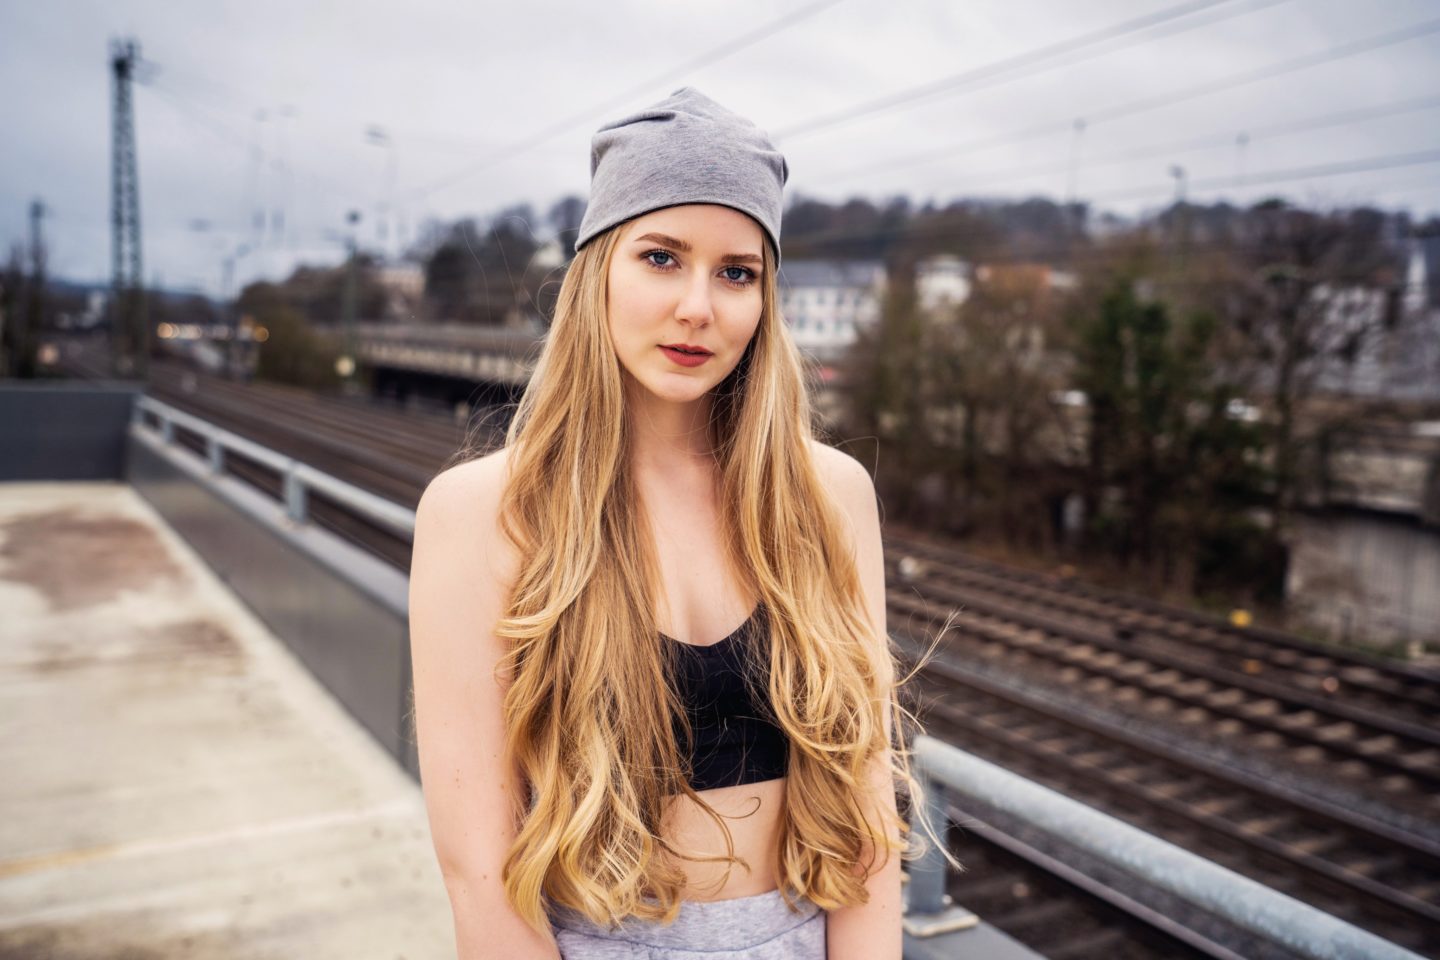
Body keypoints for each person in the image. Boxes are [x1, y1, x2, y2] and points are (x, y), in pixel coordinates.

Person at [408, 87, 954, 960]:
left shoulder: (830, 496)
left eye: (737, 271)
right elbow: (478, 868)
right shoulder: (484, 515)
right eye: (662, 257)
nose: (699, 306)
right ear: (597, 270)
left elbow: (865, 812)